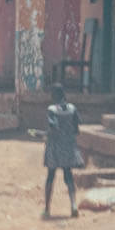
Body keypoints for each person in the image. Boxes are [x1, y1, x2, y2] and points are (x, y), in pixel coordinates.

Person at [43, 84, 84, 219]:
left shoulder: (52, 110)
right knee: (68, 176)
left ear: (54, 95)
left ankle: (47, 209)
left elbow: (53, 127)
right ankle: (73, 205)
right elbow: (77, 129)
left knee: (51, 176)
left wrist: (46, 135)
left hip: (55, 148)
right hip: (69, 147)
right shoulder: (72, 108)